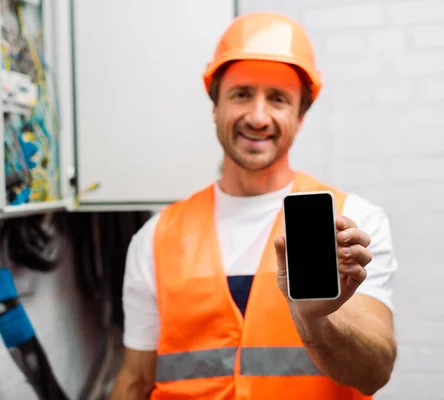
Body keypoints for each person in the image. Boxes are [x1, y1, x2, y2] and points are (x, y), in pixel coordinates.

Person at [111, 11, 398, 400]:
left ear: (300, 115)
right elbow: (135, 380)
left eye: (278, 99)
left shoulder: (353, 225)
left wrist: (317, 322)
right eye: (242, 94)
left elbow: (374, 374)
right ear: (216, 107)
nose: (258, 116)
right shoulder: (155, 237)